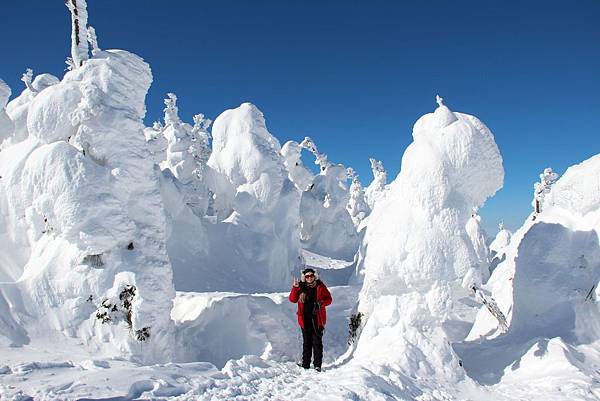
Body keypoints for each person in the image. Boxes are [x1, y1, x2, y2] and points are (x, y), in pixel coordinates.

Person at [289, 267, 332, 371]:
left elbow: (329, 299)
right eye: (307, 276)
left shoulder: (320, 286)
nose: (309, 278)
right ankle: (306, 364)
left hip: (318, 319)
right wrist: (295, 288)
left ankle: (317, 365)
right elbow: (292, 299)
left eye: (311, 276)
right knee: (307, 343)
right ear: (304, 277)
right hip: (305, 319)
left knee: (317, 343)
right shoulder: (300, 287)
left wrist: (321, 303)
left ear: (314, 276)